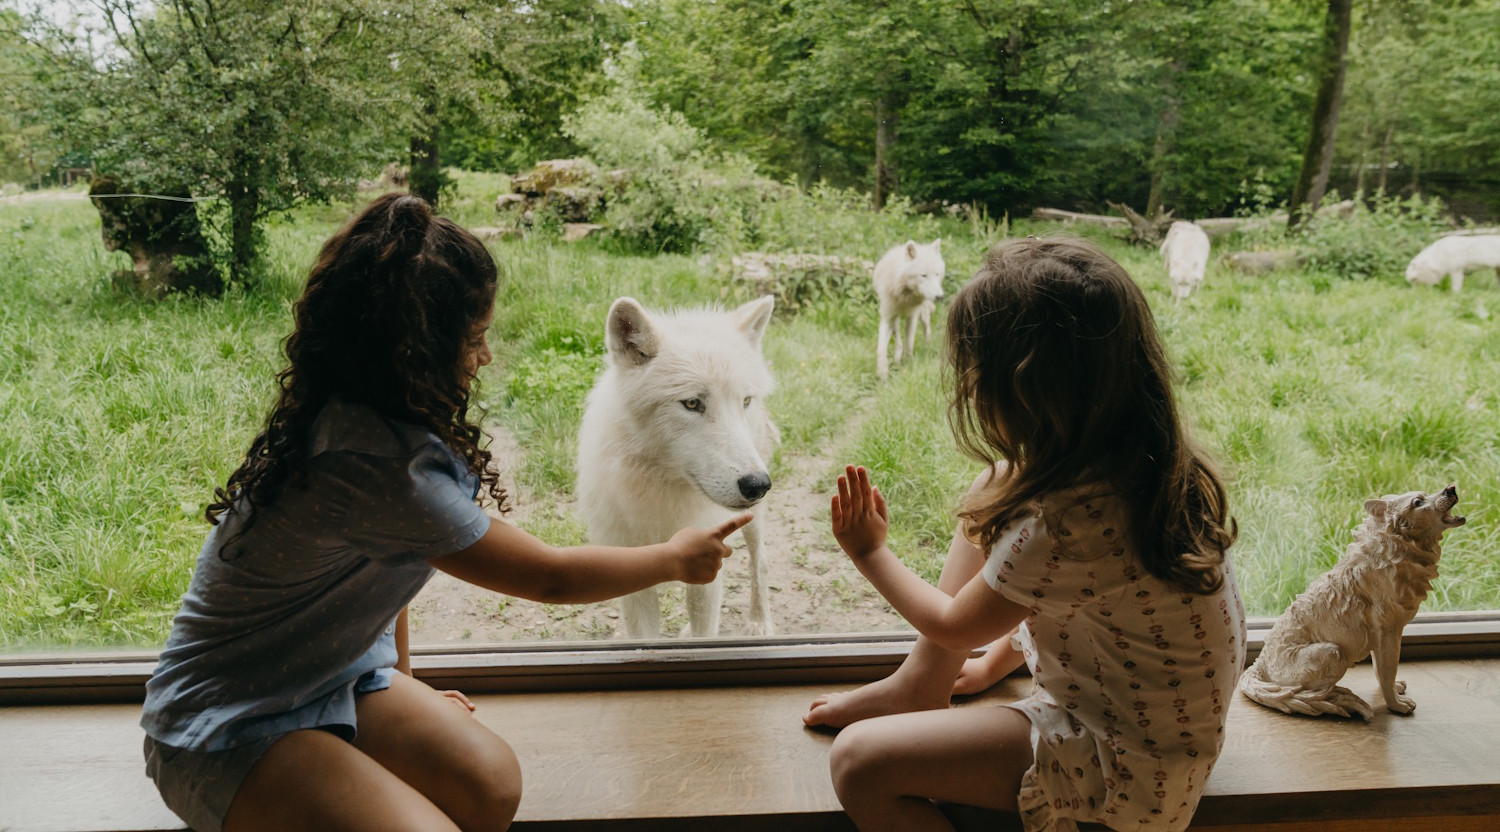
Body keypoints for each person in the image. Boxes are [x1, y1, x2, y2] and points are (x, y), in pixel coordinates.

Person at [140, 193, 750, 832]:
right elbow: (548, 577)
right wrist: (674, 558)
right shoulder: (373, 465)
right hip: (226, 721)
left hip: (335, 672)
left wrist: (403, 678)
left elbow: (389, 566)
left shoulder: (373, 414)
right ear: (415, 351)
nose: (485, 357)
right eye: (476, 339)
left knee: (491, 786)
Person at [804, 238, 1246, 832]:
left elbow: (954, 623)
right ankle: (920, 683)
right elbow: (1091, 601)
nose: (970, 390)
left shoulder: (1070, 525)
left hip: (1126, 765)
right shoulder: (1154, 468)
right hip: (1162, 729)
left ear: (1025, 389)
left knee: (859, 764)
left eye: (978, 377)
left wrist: (871, 552)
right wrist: (991, 667)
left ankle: (920, 684)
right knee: (998, 483)